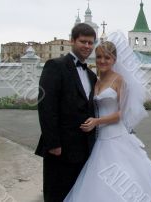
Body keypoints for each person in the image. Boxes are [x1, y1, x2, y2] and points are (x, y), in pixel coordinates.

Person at [64, 32, 151, 202]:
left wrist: (97, 121)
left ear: (114, 59)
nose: (102, 61)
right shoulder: (97, 81)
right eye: (99, 57)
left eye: (107, 58)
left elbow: (122, 113)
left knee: (124, 180)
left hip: (116, 137)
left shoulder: (119, 80)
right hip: (100, 139)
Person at [35, 23, 98, 202]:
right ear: (72, 41)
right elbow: (46, 106)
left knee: (78, 195)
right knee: (57, 194)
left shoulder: (92, 76)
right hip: (60, 149)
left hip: (84, 149)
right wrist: (53, 143)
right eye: (83, 41)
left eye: (90, 43)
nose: (87, 46)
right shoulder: (55, 66)